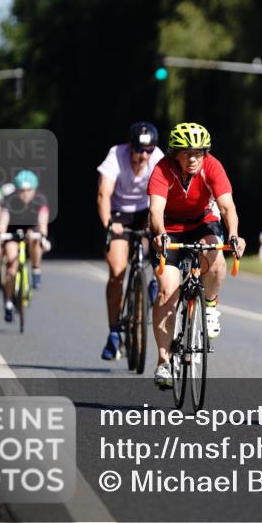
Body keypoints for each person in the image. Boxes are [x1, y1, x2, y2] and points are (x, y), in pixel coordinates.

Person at [148, 122, 246, 389]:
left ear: (206, 152)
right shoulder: (162, 169)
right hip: (168, 228)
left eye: (198, 152)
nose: (193, 158)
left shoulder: (213, 166)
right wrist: (159, 234)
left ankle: (210, 305)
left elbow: (227, 207)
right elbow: (156, 210)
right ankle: (164, 361)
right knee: (167, 291)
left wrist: (235, 234)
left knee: (216, 257)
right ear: (174, 153)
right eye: (186, 152)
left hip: (203, 222)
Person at [96, 122, 165, 360]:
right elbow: (104, 193)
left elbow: (165, 193)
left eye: (149, 150)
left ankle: (156, 279)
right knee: (117, 271)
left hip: (147, 210)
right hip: (119, 214)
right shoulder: (116, 154)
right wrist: (108, 224)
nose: (144, 155)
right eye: (139, 150)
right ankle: (114, 332)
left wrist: (157, 224)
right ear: (130, 146)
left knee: (162, 240)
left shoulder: (157, 157)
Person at [0, 170, 50, 323]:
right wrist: (1, 234)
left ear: (34, 190)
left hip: (31, 229)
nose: (25, 194)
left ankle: (35, 269)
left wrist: (43, 233)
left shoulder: (40, 199)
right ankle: (8, 302)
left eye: (28, 190)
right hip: (13, 231)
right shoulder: (10, 200)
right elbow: (4, 220)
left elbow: (43, 221)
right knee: (11, 266)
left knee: (35, 240)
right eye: (21, 190)